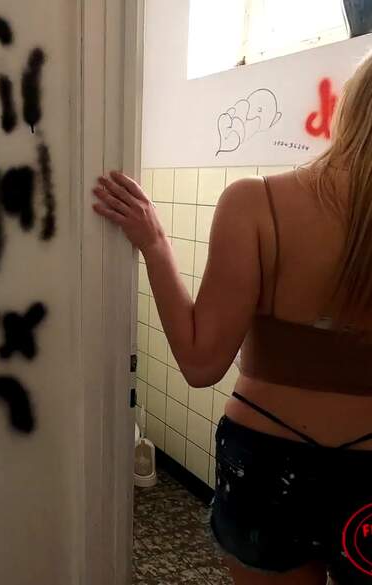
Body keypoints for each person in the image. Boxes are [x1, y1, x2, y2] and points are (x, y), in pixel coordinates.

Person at [93, 52, 372, 585]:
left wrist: (154, 242)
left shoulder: (258, 203)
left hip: (270, 459)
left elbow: (201, 364)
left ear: (350, 108)